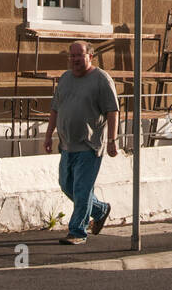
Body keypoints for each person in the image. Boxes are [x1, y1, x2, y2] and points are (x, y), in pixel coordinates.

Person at [44, 41, 120, 245]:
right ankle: (100, 210)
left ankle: (78, 231)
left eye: (79, 55)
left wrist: (113, 140)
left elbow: (112, 111)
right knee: (66, 185)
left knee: (82, 189)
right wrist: (48, 133)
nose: (75, 59)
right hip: (67, 145)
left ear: (90, 56)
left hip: (90, 146)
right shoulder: (65, 78)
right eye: (72, 56)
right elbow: (55, 108)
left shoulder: (101, 79)